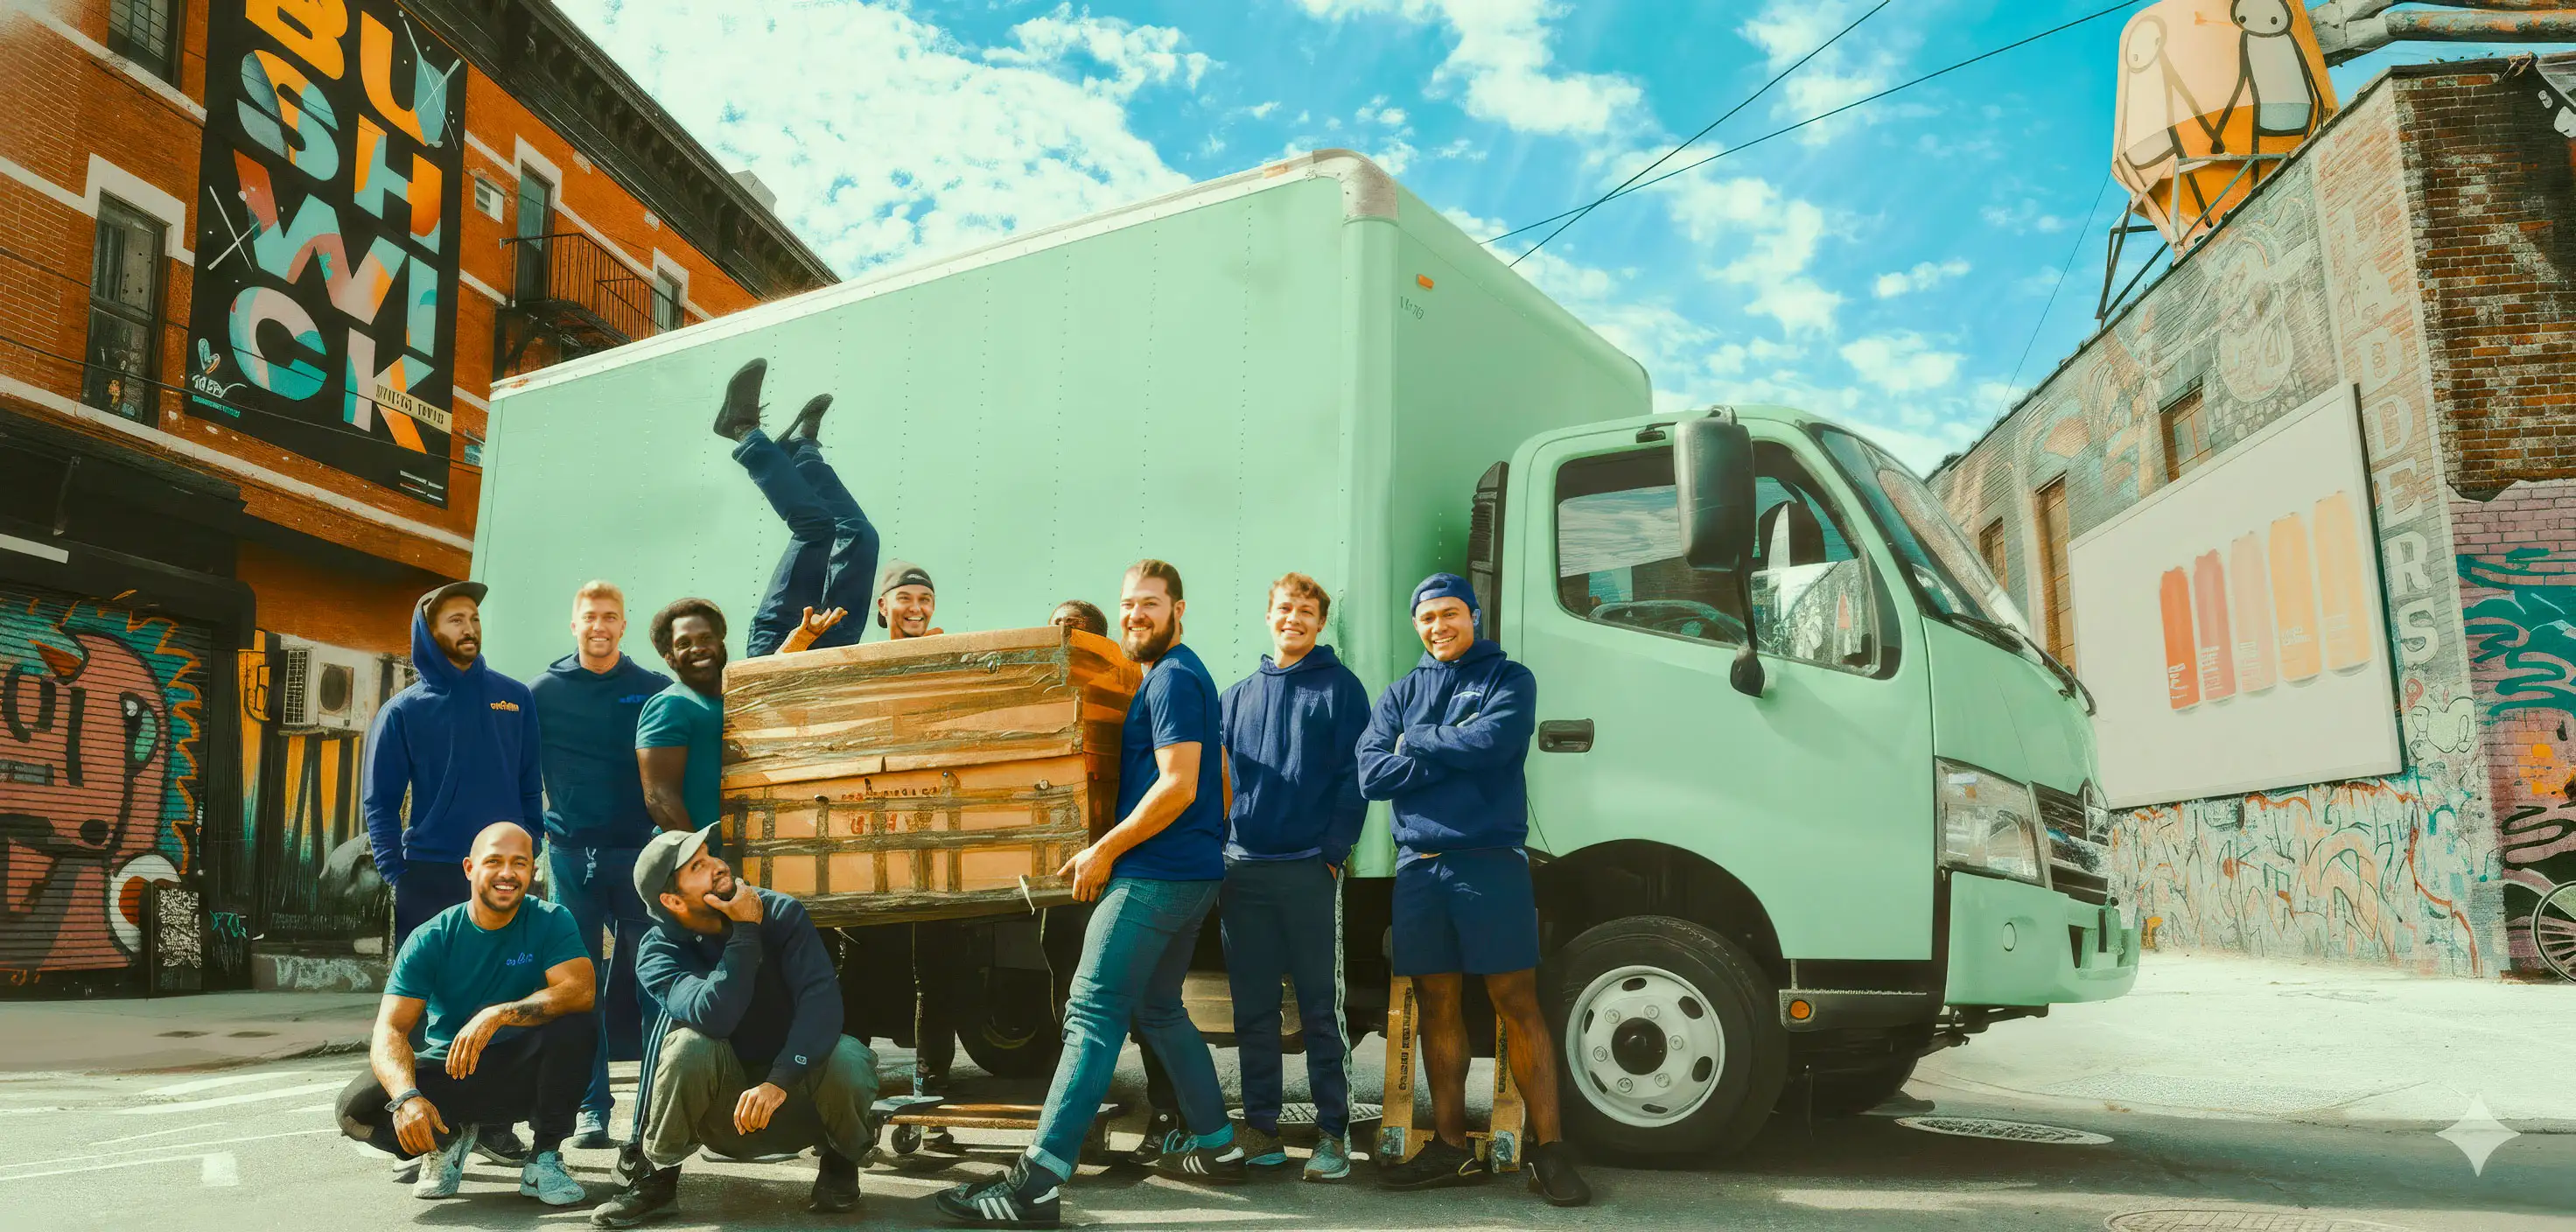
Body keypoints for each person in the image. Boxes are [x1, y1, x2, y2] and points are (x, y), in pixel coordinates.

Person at [934, 561, 1242, 1227]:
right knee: (1159, 1010)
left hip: (1154, 875)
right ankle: (1216, 1144)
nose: (1136, 615)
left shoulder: (1175, 678)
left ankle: (1037, 1182)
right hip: (1189, 871)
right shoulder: (1174, 676)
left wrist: (1104, 849)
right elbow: (1218, 774)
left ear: (1179, 610)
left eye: (1151, 605)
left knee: (1090, 1013)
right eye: (1129, 604)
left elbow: (1180, 783)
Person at [1357, 573, 1589, 1206]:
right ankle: (1453, 1149)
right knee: (1437, 1005)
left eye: (1451, 614)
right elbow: (1372, 773)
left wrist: (1420, 743)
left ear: (1474, 617)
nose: (1439, 626)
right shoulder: (1400, 691)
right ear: (1417, 625)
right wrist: (1447, 749)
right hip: (1420, 869)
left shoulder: (1509, 679)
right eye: (1427, 617)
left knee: (1516, 1000)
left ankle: (1551, 1152)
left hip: (1490, 861)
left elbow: (1495, 743)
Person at [589, 824, 881, 1227]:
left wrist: (779, 1081)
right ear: (672, 900)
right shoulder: (658, 951)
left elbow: (822, 1006)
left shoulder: (781, 912)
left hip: (795, 1098)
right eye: (697, 866)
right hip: (722, 1116)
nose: (716, 865)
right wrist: (745, 931)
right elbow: (715, 1016)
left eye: (709, 855)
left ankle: (839, 1164)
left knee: (848, 1055)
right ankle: (656, 1181)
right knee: (688, 1046)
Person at [363, 580, 545, 1166]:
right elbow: (380, 803)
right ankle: (426, 1127)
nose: (468, 627)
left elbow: (528, 787)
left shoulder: (515, 698)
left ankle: (494, 1122)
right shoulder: (403, 712)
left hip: (502, 877)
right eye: (454, 620)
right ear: (429, 633)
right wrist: (398, 872)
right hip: (433, 874)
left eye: (473, 617)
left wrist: (528, 854)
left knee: (504, 998)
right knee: (422, 1009)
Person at [335, 822, 596, 1205]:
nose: (507, 873)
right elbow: (390, 1028)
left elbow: (580, 990)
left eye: (519, 863)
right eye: (494, 861)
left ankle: (544, 1158)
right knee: (354, 1109)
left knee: (577, 1022)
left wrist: (498, 1014)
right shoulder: (432, 937)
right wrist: (407, 1098)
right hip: (453, 1069)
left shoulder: (551, 919)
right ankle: (446, 1139)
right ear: (470, 868)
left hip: (526, 1068)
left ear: (532, 871)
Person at [1218, 572, 1369, 1180]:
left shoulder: (1341, 689)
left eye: (1307, 612)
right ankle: (1263, 1130)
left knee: (1320, 1011)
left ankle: (1333, 1134)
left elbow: (1354, 778)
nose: (1294, 619)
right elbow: (1217, 784)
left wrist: (1331, 852)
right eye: (1285, 608)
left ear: (1320, 623)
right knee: (1252, 1012)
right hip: (1241, 872)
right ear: (1268, 615)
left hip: (1307, 871)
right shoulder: (1236, 696)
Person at [532, 580, 673, 1149]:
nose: (599, 626)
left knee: (650, 986)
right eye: (589, 617)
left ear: (623, 625)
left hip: (637, 858)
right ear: (574, 625)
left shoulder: (652, 689)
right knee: (581, 989)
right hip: (570, 860)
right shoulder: (542, 693)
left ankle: (651, 1111)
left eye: (609, 617)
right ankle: (593, 1110)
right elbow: (519, 768)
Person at [710, 357, 879, 658]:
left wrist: (800, 640)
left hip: (780, 641)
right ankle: (803, 450)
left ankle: (741, 429)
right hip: (837, 638)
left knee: (817, 529)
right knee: (860, 535)